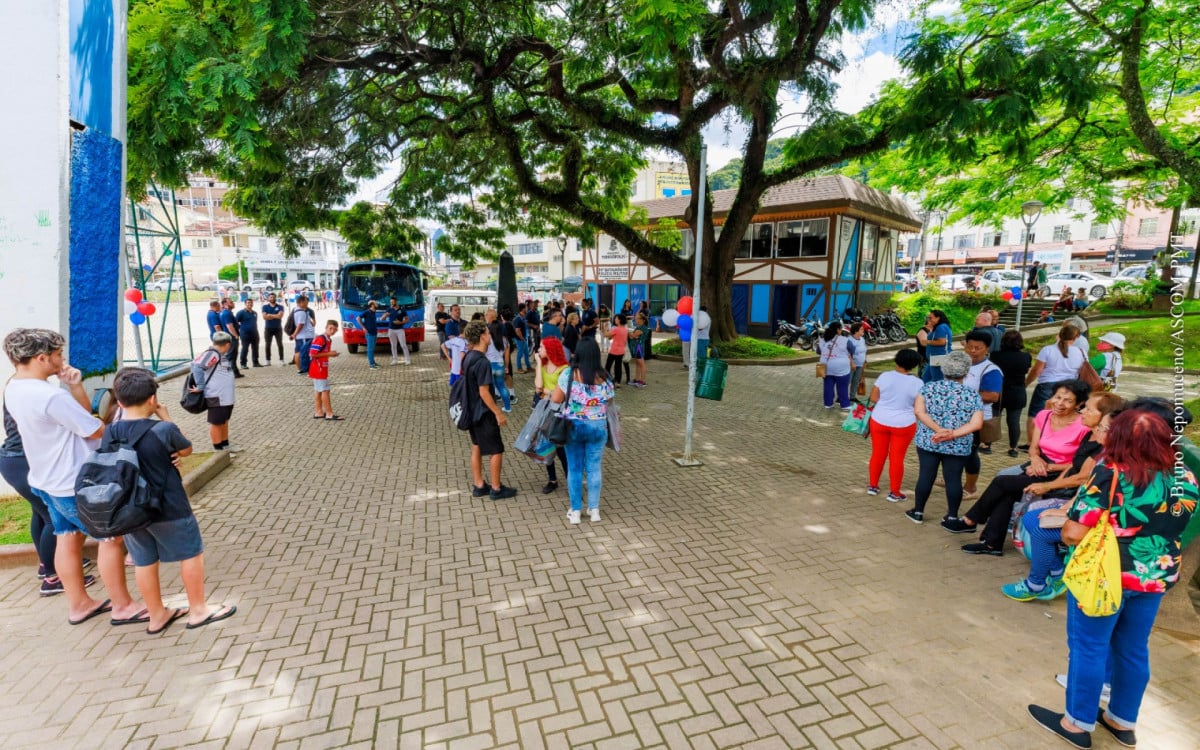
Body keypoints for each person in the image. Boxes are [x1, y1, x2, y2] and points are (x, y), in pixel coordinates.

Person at [1028, 409, 1197, 749]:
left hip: (1105, 576)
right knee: (1134, 649)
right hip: (1155, 577)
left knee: (1089, 648)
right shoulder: (1186, 476)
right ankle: (1122, 721)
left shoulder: (1112, 472)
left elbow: (1074, 533)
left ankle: (1075, 724)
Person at [3, 328, 142, 625]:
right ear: (42, 358)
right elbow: (94, 429)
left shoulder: (14, 387)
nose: (62, 359)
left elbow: (81, 419)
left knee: (67, 536)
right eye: (57, 355)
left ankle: (79, 604)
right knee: (112, 538)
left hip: (45, 478)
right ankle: (123, 606)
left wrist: (75, 387)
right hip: (72, 480)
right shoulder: (50, 397)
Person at [107, 368, 237, 634]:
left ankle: (156, 615)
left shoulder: (111, 432)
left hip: (131, 507)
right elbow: (186, 449)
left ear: (119, 402)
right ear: (153, 399)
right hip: (168, 504)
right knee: (190, 553)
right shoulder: (162, 429)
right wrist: (165, 416)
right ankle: (198, 610)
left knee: (143, 560)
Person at [942, 380, 1091, 554]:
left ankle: (971, 520)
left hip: (1060, 474)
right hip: (1037, 465)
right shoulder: (1044, 415)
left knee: (1002, 482)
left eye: (1068, 400)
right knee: (1007, 490)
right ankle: (991, 544)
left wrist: (1049, 467)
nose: (1060, 403)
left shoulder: (1083, 426)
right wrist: (1035, 459)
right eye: (1058, 397)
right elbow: (1034, 447)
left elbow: (1080, 464)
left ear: (1079, 404)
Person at [1002, 393, 1125, 602]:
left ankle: (1036, 583)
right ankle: (1057, 574)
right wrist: (1064, 505)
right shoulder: (1095, 441)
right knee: (1031, 515)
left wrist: (1060, 502)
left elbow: (1086, 486)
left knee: (1038, 526)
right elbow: (1084, 487)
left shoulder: (1109, 457)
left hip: (1103, 526)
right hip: (1083, 505)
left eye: (1088, 409)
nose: (1082, 412)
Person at [2, 398, 85, 595]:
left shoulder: (16, 390)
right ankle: (52, 578)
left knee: (39, 512)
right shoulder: (35, 393)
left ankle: (46, 564)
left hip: (12, 460)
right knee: (51, 517)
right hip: (23, 460)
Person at [907, 351, 983, 525]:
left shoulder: (927, 388)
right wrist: (951, 434)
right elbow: (977, 424)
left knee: (926, 475)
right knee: (954, 478)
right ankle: (952, 516)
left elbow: (919, 412)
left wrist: (939, 430)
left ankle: (918, 511)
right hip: (958, 444)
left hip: (929, 440)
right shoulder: (972, 395)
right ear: (966, 371)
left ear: (943, 369)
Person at [551, 339, 615, 524]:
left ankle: (576, 512)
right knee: (594, 469)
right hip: (597, 427)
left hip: (573, 427)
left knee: (575, 469)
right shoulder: (605, 377)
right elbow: (609, 401)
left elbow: (556, 398)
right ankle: (594, 510)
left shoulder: (569, 374)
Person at [461, 321, 517, 500]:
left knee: (476, 446)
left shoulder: (468, 357)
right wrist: (497, 412)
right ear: (482, 337)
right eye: (487, 332)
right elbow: (484, 392)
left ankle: (479, 485)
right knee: (496, 449)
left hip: (471, 410)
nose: (490, 335)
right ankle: (496, 488)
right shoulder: (483, 362)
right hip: (484, 412)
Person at [866, 349, 924, 502]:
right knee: (897, 457)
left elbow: (873, 397)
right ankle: (894, 492)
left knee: (878, 453)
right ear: (913, 365)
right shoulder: (918, 383)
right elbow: (919, 407)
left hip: (879, 420)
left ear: (896, 360)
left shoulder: (884, 376)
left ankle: (873, 486)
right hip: (904, 423)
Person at [1023, 323, 1085, 448]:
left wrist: (1026, 383)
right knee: (1061, 414)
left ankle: (1031, 443)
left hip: (1047, 385)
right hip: (1069, 387)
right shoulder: (1080, 352)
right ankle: (1055, 441)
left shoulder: (1048, 350)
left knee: (1036, 414)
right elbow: (1082, 371)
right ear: (1076, 338)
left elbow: (1037, 370)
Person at [961, 330, 1002, 491]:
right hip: (959, 417)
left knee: (970, 453)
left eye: (978, 348)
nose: (973, 351)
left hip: (977, 419)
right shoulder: (962, 364)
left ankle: (970, 487)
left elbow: (992, 396)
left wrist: (962, 395)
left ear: (987, 349)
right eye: (970, 347)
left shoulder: (990, 370)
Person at [533, 337, 571, 494]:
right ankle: (552, 480)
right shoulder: (542, 365)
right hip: (545, 411)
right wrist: (539, 364)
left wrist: (547, 392)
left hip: (559, 413)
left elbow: (562, 394)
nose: (538, 350)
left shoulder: (564, 369)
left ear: (551, 349)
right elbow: (538, 387)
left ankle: (571, 480)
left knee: (561, 448)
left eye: (542, 347)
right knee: (546, 446)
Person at [990, 330, 1033, 457]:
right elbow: (1027, 370)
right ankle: (1013, 447)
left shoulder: (995, 355)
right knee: (1014, 421)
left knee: (994, 418)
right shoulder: (1026, 356)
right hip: (1017, 391)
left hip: (1000, 391)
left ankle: (987, 444)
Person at [192, 331, 237, 451]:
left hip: (225, 397)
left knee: (224, 421)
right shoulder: (213, 354)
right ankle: (218, 449)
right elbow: (197, 367)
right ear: (227, 344)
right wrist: (201, 386)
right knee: (217, 422)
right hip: (217, 396)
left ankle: (225, 446)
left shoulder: (219, 355)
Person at [817, 321, 856, 410]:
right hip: (841, 367)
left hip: (824, 366)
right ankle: (845, 405)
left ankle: (828, 404)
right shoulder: (844, 340)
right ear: (838, 330)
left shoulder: (823, 340)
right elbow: (852, 350)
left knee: (828, 385)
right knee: (842, 386)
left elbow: (818, 351)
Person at [309, 320, 344, 421]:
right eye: (331, 328)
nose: (332, 331)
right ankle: (329, 413)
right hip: (318, 368)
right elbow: (312, 354)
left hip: (320, 368)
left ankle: (319, 412)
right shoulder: (321, 339)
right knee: (325, 390)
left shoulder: (328, 340)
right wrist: (329, 354)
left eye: (335, 330)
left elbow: (321, 353)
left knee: (318, 390)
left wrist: (331, 354)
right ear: (326, 327)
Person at [484, 310, 513, 413]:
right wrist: (506, 367)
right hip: (500, 365)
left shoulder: (487, 339)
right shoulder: (505, 340)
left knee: (489, 388)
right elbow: (507, 357)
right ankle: (508, 407)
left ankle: (491, 409)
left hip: (489, 365)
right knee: (502, 386)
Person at [916, 310, 952, 382]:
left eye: (930, 318)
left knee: (937, 380)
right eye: (928, 318)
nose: (928, 319)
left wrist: (927, 341)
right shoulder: (940, 327)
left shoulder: (941, 327)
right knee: (925, 379)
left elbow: (942, 342)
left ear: (938, 318)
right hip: (933, 358)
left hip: (939, 358)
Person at [289, 295, 317, 375]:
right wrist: (294, 334)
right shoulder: (301, 312)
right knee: (304, 353)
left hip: (302, 336)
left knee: (298, 352)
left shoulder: (296, 310)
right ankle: (304, 369)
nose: (307, 303)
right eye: (306, 301)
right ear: (301, 302)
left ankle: (300, 369)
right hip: (304, 336)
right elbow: (300, 325)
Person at [220, 298, 244, 378]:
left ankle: (234, 372)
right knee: (230, 355)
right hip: (231, 338)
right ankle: (226, 373)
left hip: (230, 337)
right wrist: (235, 335)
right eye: (231, 302)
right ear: (225, 304)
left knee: (233, 355)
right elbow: (229, 326)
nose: (233, 303)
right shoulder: (227, 313)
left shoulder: (227, 312)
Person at [235, 298, 262, 369]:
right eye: (248, 303)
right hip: (245, 334)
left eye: (251, 302)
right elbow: (235, 322)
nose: (250, 304)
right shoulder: (241, 313)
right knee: (245, 348)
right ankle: (243, 363)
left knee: (255, 348)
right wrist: (242, 328)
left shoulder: (255, 313)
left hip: (255, 333)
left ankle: (255, 362)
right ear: (245, 304)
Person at [604, 313, 630, 386]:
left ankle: (608, 380)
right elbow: (612, 337)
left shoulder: (616, 329)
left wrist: (605, 329)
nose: (615, 319)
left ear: (620, 320)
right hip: (621, 350)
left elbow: (607, 335)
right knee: (618, 367)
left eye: (616, 318)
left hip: (614, 350)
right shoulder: (625, 329)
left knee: (607, 366)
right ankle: (618, 382)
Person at [385, 296, 411, 366]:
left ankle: (407, 360)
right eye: (390, 302)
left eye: (392, 302)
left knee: (403, 345)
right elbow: (383, 317)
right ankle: (395, 360)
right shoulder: (389, 309)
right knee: (393, 345)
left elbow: (407, 319)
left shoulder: (402, 309)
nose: (391, 303)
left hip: (400, 330)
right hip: (391, 330)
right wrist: (384, 316)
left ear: (396, 302)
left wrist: (401, 323)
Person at [261, 293, 285, 365]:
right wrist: (275, 315)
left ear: (275, 298)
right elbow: (264, 317)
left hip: (278, 328)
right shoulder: (265, 307)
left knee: (280, 344)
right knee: (268, 344)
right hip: (268, 328)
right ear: (268, 299)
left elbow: (280, 316)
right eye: (270, 297)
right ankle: (268, 360)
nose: (272, 298)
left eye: (273, 297)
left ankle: (281, 359)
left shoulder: (280, 306)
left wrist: (270, 315)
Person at [442, 318, 467, 386]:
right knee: (461, 390)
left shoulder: (454, 340)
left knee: (454, 389)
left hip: (454, 369)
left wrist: (449, 358)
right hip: (461, 371)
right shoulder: (464, 342)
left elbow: (442, 346)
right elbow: (462, 356)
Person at [629, 311, 651, 387]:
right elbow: (632, 336)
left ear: (642, 319)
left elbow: (633, 335)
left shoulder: (643, 328)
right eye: (635, 318)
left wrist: (632, 335)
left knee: (641, 363)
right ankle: (637, 379)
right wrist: (632, 335)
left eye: (637, 318)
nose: (636, 319)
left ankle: (643, 381)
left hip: (639, 347)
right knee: (637, 363)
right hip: (636, 347)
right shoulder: (637, 327)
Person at [848, 322, 867, 402]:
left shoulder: (862, 339)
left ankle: (852, 396)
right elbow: (847, 353)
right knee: (848, 381)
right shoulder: (849, 340)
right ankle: (841, 396)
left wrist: (865, 360)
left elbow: (864, 351)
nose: (863, 330)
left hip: (860, 364)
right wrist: (851, 362)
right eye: (861, 329)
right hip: (851, 364)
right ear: (856, 331)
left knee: (856, 381)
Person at [358, 299, 381, 369]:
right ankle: (371, 365)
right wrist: (363, 327)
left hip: (374, 332)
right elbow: (358, 318)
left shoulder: (374, 312)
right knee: (370, 349)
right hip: (369, 333)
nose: (377, 305)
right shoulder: (367, 312)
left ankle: (373, 362)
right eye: (376, 303)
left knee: (372, 348)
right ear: (372, 305)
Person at [512, 303, 532, 373]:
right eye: (526, 308)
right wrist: (522, 338)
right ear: (523, 309)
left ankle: (528, 367)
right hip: (520, 339)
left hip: (524, 338)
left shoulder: (523, 317)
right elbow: (517, 330)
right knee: (520, 353)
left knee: (526, 353)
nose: (527, 309)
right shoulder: (518, 318)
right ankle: (519, 368)